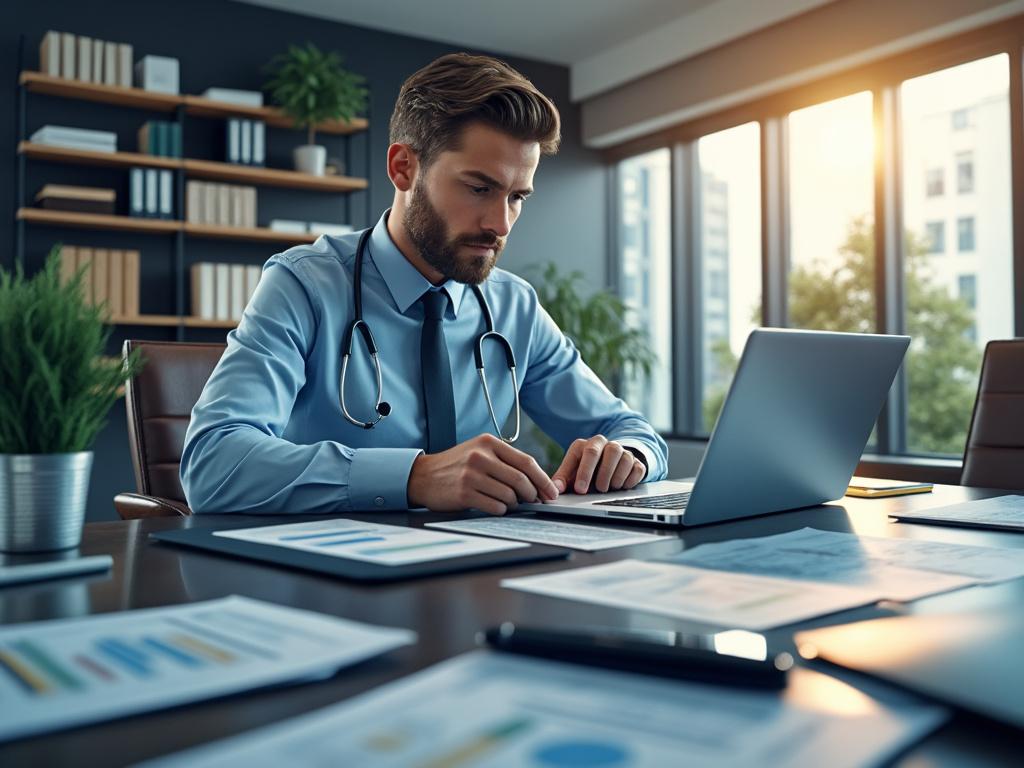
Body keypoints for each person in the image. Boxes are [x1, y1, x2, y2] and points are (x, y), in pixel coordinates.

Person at [180, 53, 668, 516]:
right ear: (403, 168)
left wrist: (628, 456)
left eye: (517, 197)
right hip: (337, 566)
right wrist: (414, 477)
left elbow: (631, 432)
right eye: (479, 188)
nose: (500, 224)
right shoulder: (303, 285)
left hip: (486, 563)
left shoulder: (514, 306)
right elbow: (212, 466)